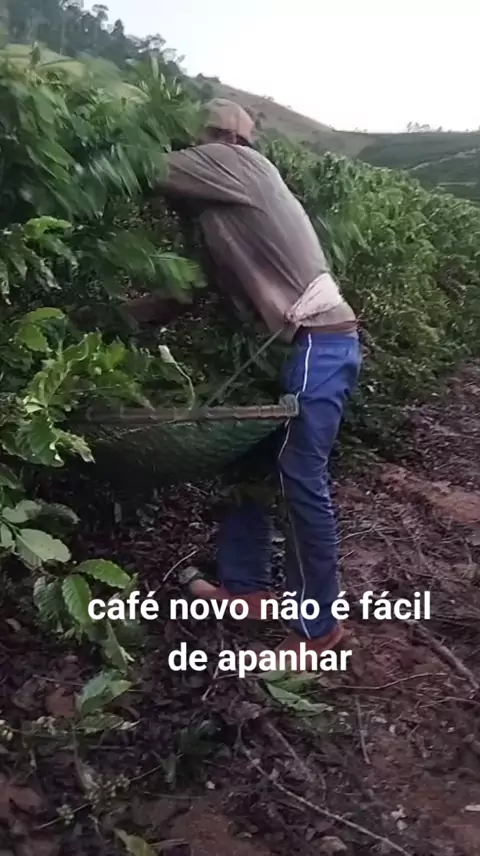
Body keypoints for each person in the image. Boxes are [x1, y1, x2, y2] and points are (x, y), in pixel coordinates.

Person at [128, 98, 362, 665]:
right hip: (296, 348)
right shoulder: (222, 213)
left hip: (320, 345)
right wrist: (116, 319)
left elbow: (134, 165)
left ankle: (319, 628)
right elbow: (187, 292)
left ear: (220, 139)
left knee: (299, 477)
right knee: (248, 469)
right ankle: (245, 586)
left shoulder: (239, 165)